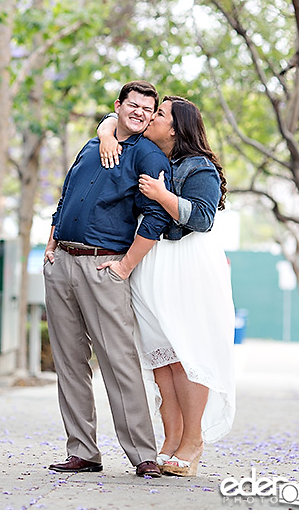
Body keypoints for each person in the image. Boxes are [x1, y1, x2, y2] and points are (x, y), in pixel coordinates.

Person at [98, 96, 236, 477]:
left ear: (175, 128)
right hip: (153, 265)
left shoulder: (199, 167)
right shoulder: (150, 156)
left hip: (187, 264)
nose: (152, 118)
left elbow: (203, 219)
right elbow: (113, 120)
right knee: (163, 358)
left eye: (159, 114)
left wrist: (162, 196)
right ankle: (170, 440)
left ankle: (192, 442)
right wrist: (106, 129)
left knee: (188, 353)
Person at [42, 80, 172, 479]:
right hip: (61, 261)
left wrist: (126, 266)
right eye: (133, 105)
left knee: (119, 362)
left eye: (148, 110)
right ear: (118, 106)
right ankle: (83, 451)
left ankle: (143, 454)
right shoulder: (91, 144)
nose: (140, 113)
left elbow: (157, 216)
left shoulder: (148, 157)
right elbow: (66, 196)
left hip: (104, 266)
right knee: (68, 362)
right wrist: (50, 244)